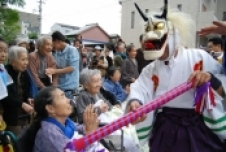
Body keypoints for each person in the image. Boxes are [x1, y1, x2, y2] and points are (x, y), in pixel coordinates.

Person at [127, 2, 226, 152]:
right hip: (165, 129)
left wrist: (211, 79)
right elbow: (139, 89)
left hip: (198, 127)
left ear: (173, 37)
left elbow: (222, 86)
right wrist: (135, 102)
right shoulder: (150, 69)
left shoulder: (199, 57)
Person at [19, 86, 107, 152]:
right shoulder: (49, 132)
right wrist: (90, 133)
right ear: (50, 108)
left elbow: (76, 128)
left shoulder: (64, 121)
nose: (68, 100)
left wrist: (87, 127)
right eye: (62, 97)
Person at [77, 69, 141, 152]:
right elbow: (81, 117)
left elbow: (108, 104)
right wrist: (99, 109)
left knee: (130, 128)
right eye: (95, 81)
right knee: (128, 141)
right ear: (86, 85)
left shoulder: (98, 93)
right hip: (99, 128)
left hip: (107, 122)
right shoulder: (83, 96)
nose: (99, 84)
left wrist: (109, 106)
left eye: (100, 80)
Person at [1, 46, 34, 136]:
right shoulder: (5, 72)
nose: (26, 63)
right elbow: (5, 96)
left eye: (27, 59)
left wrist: (28, 98)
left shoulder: (24, 72)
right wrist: (21, 104)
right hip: (11, 114)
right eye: (22, 60)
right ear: (12, 61)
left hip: (24, 113)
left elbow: (26, 90)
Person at [46, 31, 80, 99]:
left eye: (53, 44)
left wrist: (55, 71)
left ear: (58, 41)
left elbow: (72, 68)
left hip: (70, 88)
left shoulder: (72, 50)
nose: (52, 47)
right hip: (59, 86)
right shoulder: (56, 52)